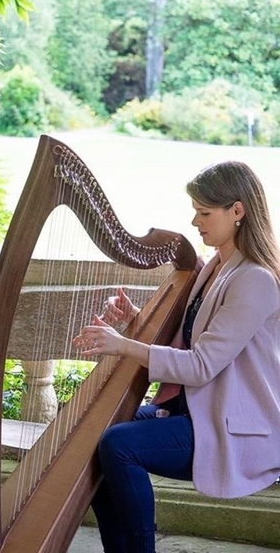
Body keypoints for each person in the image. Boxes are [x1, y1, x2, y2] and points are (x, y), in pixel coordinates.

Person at [73, 160, 280, 553]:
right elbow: (191, 339)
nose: (194, 221)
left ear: (237, 211)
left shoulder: (254, 279)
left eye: (204, 212)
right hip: (194, 410)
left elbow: (201, 366)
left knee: (119, 444)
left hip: (232, 425)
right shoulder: (217, 266)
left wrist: (121, 344)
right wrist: (135, 321)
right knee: (95, 436)